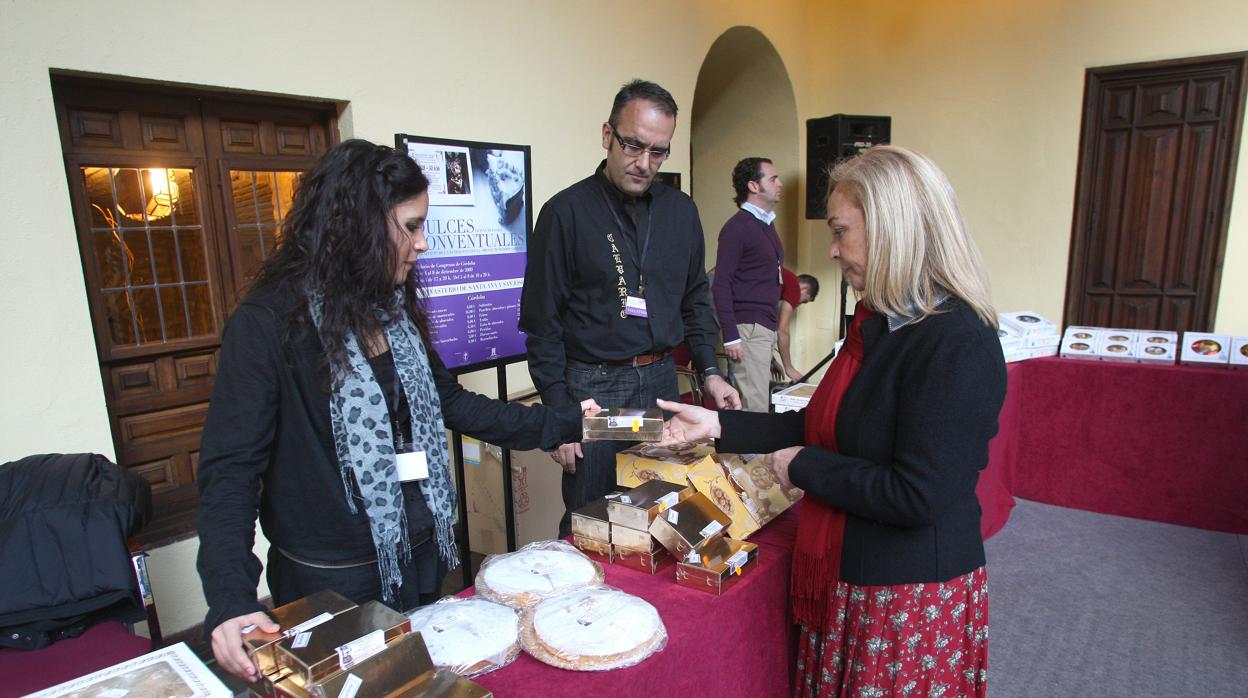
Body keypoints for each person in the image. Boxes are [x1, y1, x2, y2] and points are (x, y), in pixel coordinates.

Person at [196, 140, 598, 681]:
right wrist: (230, 597)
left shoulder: (391, 309)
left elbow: (449, 403)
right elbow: (230, 469)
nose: (423, 243)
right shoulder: (269, 322)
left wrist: (569, 420)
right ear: (354, 226)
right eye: (409, 226)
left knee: (420, 684)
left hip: (418, 554)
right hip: (332, 581)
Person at [659, 145, 1005, 696]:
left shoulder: (957, 341)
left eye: (842, 232)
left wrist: (805, 468)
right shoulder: (883, 323)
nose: (833, 250)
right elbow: (826, 425)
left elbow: (920, 493)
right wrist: (720, 427)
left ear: (895, 230)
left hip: (906, 593)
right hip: (859, 574)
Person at [520, 79, 739, 536]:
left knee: (661, 513)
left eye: (658, 152)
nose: (644, 163)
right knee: (595, 519)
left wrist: (712, 372)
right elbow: (543, 323)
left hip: (661, 382)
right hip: (596, 391)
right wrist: (560, 416)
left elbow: (696, 298)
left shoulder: (681, 212)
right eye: (633, 145)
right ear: (607, 135)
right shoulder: (566, 213)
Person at [712, 157, 786, 412]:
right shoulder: (738, 228)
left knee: (757, 404)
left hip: (762, 327)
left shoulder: (765, 224)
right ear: (754, 186)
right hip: (748, 327)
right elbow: (721, 284)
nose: (780, 183)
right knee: (753, 408)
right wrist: (731, 336)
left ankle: (752, 452)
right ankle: (751, 454)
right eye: (773, 178)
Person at [774, 269, 819, 383]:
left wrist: (772, 361)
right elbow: (782, 331)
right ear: (804, 289)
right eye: (803, 301)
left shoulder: (781, 282)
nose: (797, 305)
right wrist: (789, 368)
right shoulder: (794, 287)